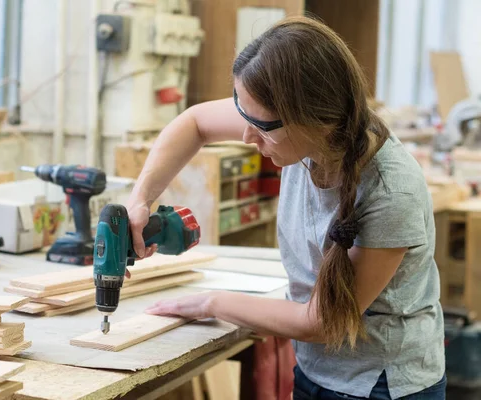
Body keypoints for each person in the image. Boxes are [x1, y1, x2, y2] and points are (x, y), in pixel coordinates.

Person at [125, 16, 446, 400]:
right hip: (316, 366)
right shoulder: (294, 133)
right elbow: (195, 122)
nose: (246, 136)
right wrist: (140, 199)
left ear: (313, 120)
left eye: (259, 128)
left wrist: (213, 302)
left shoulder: (392, 190)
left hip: (381, 383)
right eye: (243, 116)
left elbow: (323, 322)